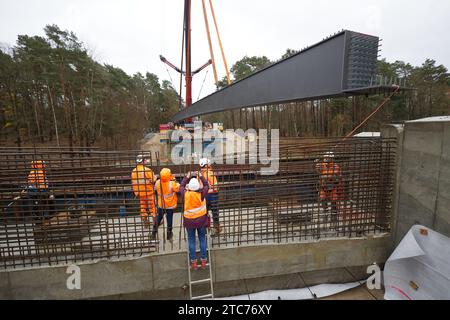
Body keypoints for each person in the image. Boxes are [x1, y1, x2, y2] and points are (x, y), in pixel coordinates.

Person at [180, 171, 209, 270]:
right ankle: (204, 260)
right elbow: (206, 185)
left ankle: (193, 262)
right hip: (201, 221)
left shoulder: (186, 194)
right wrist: (200, 175)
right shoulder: (201, 194)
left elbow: (181, 186)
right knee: (202, 239)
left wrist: (187, 177)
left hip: (189, 222)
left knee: (191, 240)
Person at [315, 151, 342, 224]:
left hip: (332, 186)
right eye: (325, 158)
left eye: (328, 158)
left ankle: (334, 214)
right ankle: (325, 211)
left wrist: (331, 178)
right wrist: (316, 165)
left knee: (334, 201)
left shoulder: (336, 166)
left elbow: (338, 177)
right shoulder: (321, 165)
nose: (326, 160)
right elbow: (317, 171)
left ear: (332, 159)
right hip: (323, 187)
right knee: (322, 199)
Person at [153, 168, 180, 240]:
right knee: (169, 219)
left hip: (161, 204)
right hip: (169, 205)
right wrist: (174, 180)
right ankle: (169, 234)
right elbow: (178, 188)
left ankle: (153, 232)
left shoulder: (158, 182)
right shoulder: (172, 183)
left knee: (158, 219)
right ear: (169, 175)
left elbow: (155, 189)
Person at [131, 154, 157, 229]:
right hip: (149, 193)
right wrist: (155, 177)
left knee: (143, 208)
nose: (146, 161)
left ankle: (145, 222)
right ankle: (155, 222)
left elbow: (134, 183)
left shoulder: (133, 171)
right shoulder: (146, 170)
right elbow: (153, 180)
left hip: (140, 193)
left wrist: (137, 193)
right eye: (145, 160)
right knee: (153, 208)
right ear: (143, 161)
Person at [199, 158, 221, 235]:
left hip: (205, 197)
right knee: (215, 213)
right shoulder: (210, 174)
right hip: (212, 196)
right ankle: (217, 228)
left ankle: (206, 228)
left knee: (205, 213)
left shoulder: (200, 175)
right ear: (207, 165)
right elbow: (216, 188)